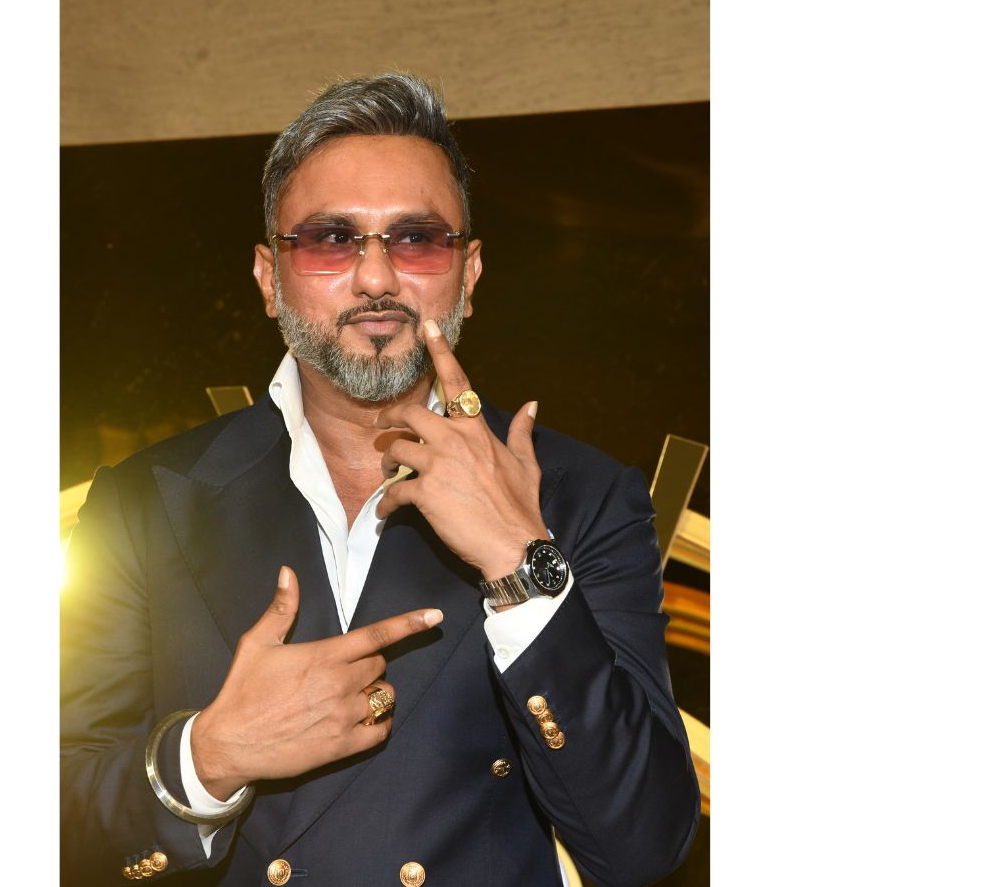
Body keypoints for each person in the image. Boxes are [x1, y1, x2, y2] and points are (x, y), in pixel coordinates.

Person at [61, 73, 699, 886]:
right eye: (331, 238)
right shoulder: (146, 501)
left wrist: (520, 563)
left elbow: (645, 845)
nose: (375, 278)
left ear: (469, 273)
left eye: (416, 238)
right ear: (269, 278)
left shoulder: (582, 495)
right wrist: (210, 756)